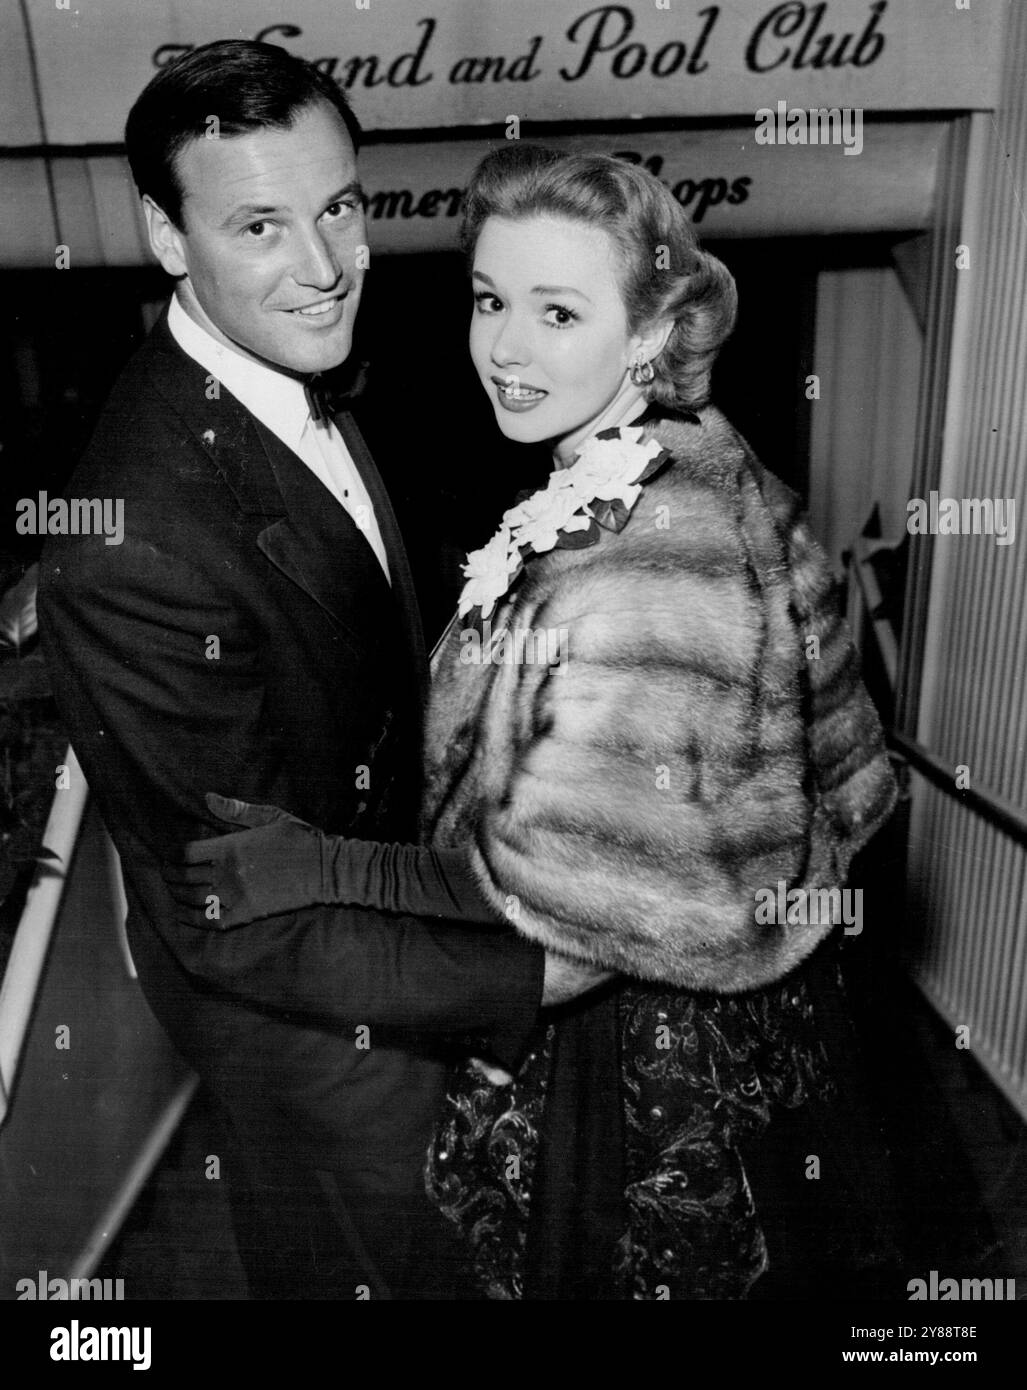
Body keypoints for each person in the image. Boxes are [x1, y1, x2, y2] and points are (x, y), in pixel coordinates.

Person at [167, 145, 899, 1299]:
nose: (505, 348)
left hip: (637, 1066)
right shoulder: (679, 471)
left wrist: (324, 872)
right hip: (728, 1022)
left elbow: (557, 914)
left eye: (558, 312)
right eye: (490, 300)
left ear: (652, 333)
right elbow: (845, 790)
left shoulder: (648, 568)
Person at [37, 46, 604, 1302]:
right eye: (258, 225)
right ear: (166, 236)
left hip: (392, 933)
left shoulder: (301, 365)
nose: (325, 266)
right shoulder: (133, 537)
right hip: (315, 1023)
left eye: (338, 207)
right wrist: (544, 971)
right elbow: (240, 909)